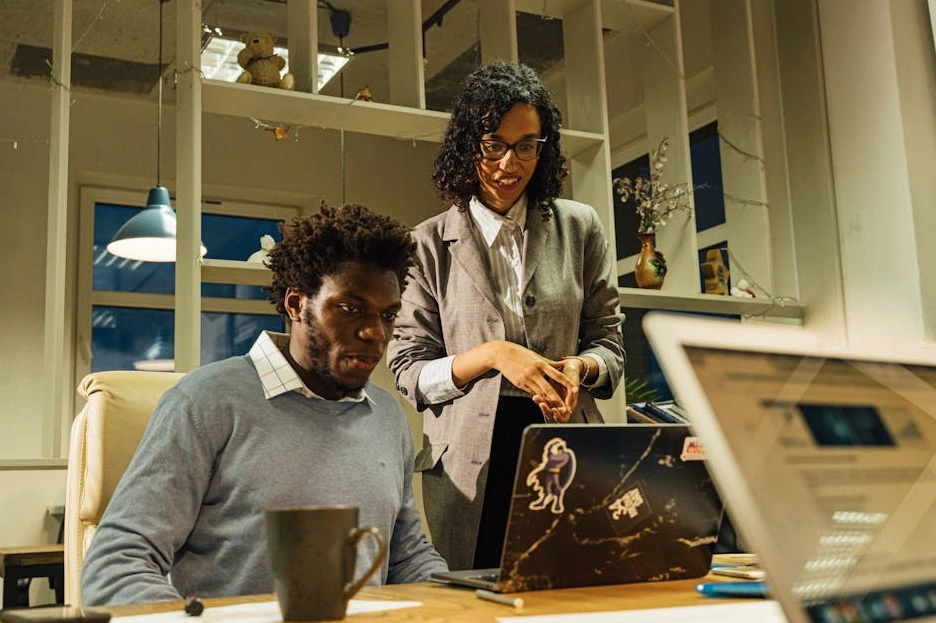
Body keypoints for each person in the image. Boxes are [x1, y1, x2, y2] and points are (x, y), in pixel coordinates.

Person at [81, 204, 448, 606]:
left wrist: (468, 603)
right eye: (350, 309)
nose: (375, 333)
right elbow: (117, 564)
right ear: (296, 304)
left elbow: (407, 557)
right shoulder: (205, 402)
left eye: (388, 315)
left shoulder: (387, 415)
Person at [387, 61, 625, 570]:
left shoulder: (580, 227)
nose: (508, 164)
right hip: (469, 463)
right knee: (476, 595)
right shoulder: (426, 244)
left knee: (574, 588)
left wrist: (580, 368)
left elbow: (609, 343)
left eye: (526, 146)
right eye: (493, 145)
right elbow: (408, 371)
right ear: (468, 144)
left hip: (566, 445)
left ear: (544, 148)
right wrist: (494, 355)